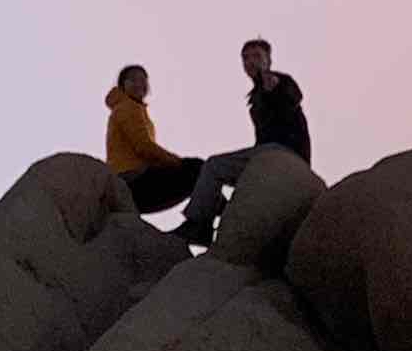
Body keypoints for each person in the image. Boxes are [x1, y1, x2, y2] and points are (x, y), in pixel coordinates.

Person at [173, 39, 311, 247]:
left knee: (214, 166)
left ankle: (200, 224)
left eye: (257, 56)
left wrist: (273, 89)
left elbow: (293, 97)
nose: (250, 62)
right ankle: (220, 216)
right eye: (246, 58)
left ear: (268, 60)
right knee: (221, 176)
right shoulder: (256, 96)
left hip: (284, 153)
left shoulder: (278, 81)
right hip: (269, 154)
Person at [103, 65, 204, 216]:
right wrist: (179, 163)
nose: (139, 83)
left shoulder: (132, 108)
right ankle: (208, 219)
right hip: (131, 182)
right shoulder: (128, 107)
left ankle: (207, 217)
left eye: (143, 80)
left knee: (198, 172)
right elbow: (144, 147)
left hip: (130, 182)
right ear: (122, 85)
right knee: (197, 169)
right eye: (133, 79)